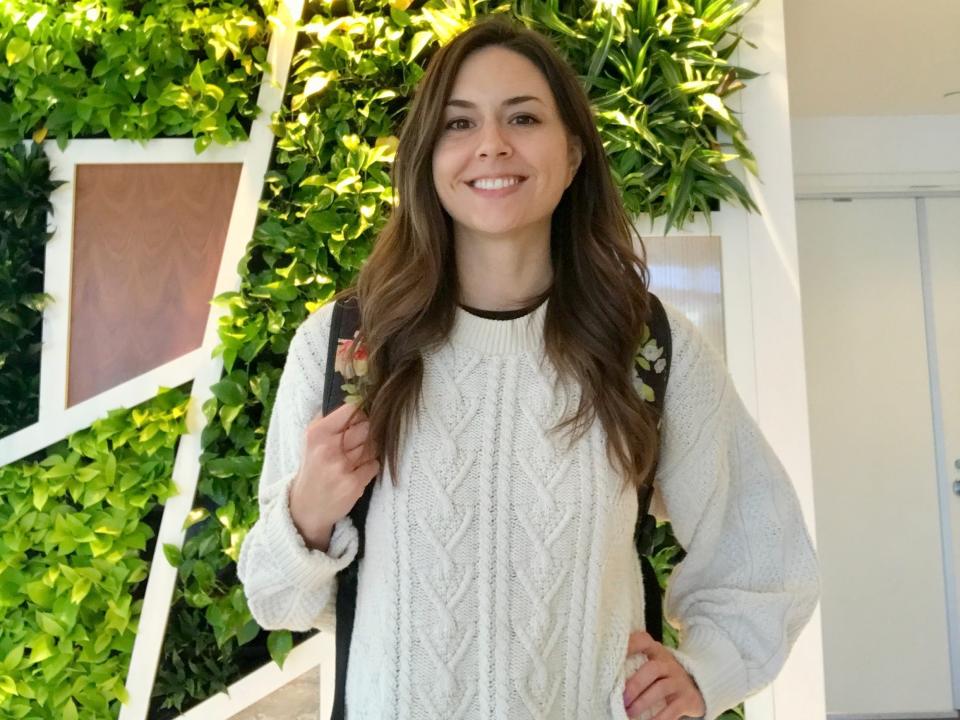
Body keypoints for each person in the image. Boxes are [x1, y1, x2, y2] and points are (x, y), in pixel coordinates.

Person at [237, 15, 821, 720]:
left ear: (573, 154)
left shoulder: (645, 347)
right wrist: (307, 513)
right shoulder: (351, 347)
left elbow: (764, 554)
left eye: (523, 117)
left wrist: (706, 673)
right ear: (426, 157)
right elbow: (276, 601)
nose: (492, 145)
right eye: (459, 124)